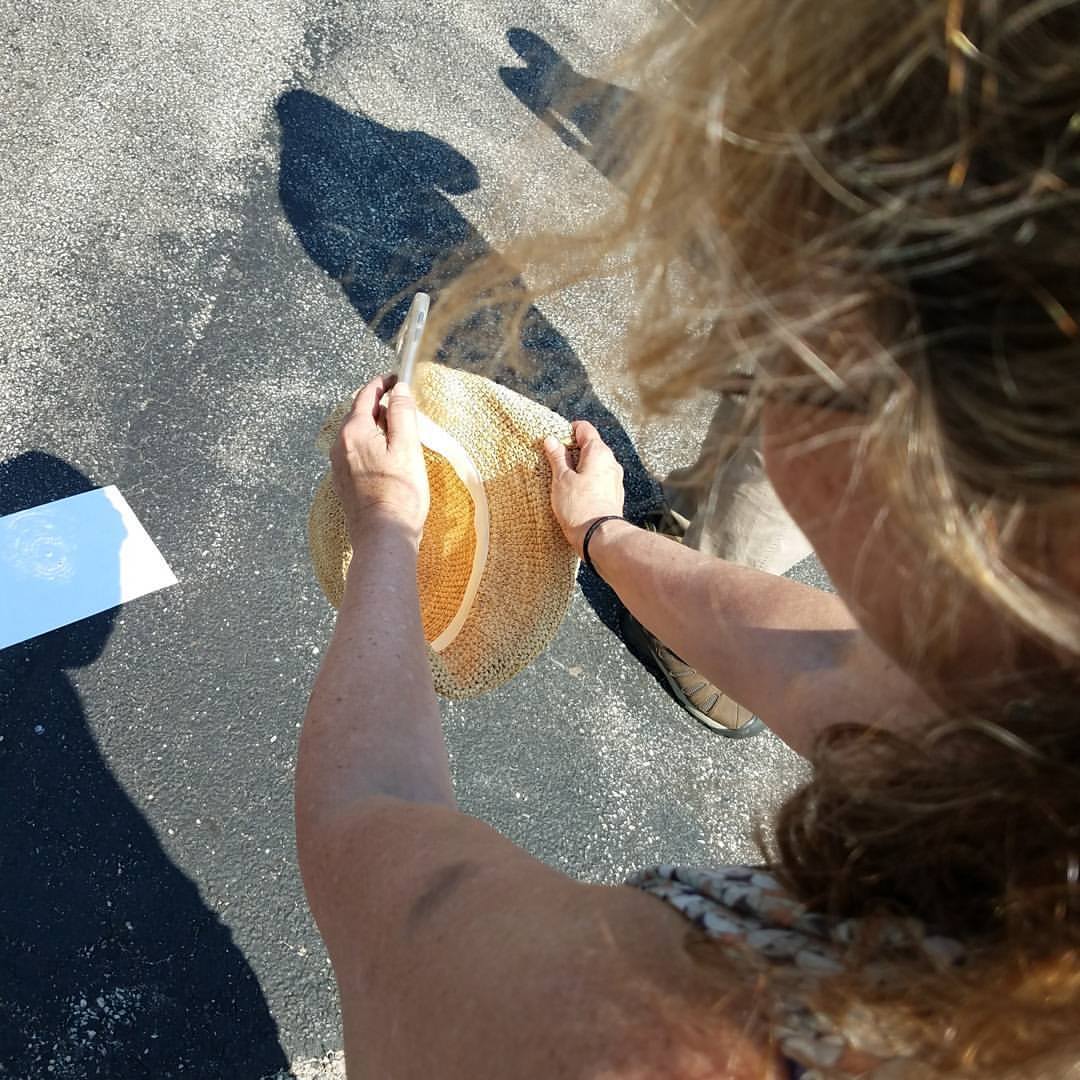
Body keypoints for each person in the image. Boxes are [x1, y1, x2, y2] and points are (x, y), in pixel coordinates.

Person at [295, 1, 1080, 1075]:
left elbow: (369, 842)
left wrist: (388, 526)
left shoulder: (671, 1034)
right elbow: (839, 666)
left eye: (784, 331)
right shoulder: (1034, 689)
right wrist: (606, 537)